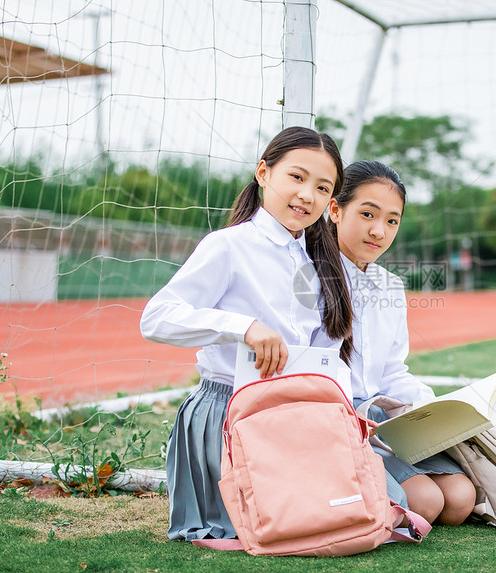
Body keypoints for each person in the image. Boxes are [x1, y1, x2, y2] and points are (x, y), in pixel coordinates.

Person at [140, 126, 353, 541]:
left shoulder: (321, 265)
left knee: (337, 516)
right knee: (271, 528)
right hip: (228, 414)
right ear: (263, 173)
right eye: (297, 177)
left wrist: (346, 414)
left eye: (322, 187)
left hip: (296, 417)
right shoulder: (228, 246)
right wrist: (243, 328)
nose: (307, 195)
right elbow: (156, 318)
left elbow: (325, 357)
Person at [328, 160, 476, 526]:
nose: (379, 230)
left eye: (392, 220)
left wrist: (433, 407)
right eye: (367, 214)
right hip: (337, 419)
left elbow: (393, 371)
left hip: (382, 420)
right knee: (424, 502)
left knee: (460, 501)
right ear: (335, 210)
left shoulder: (390, 285)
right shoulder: (309, 276)